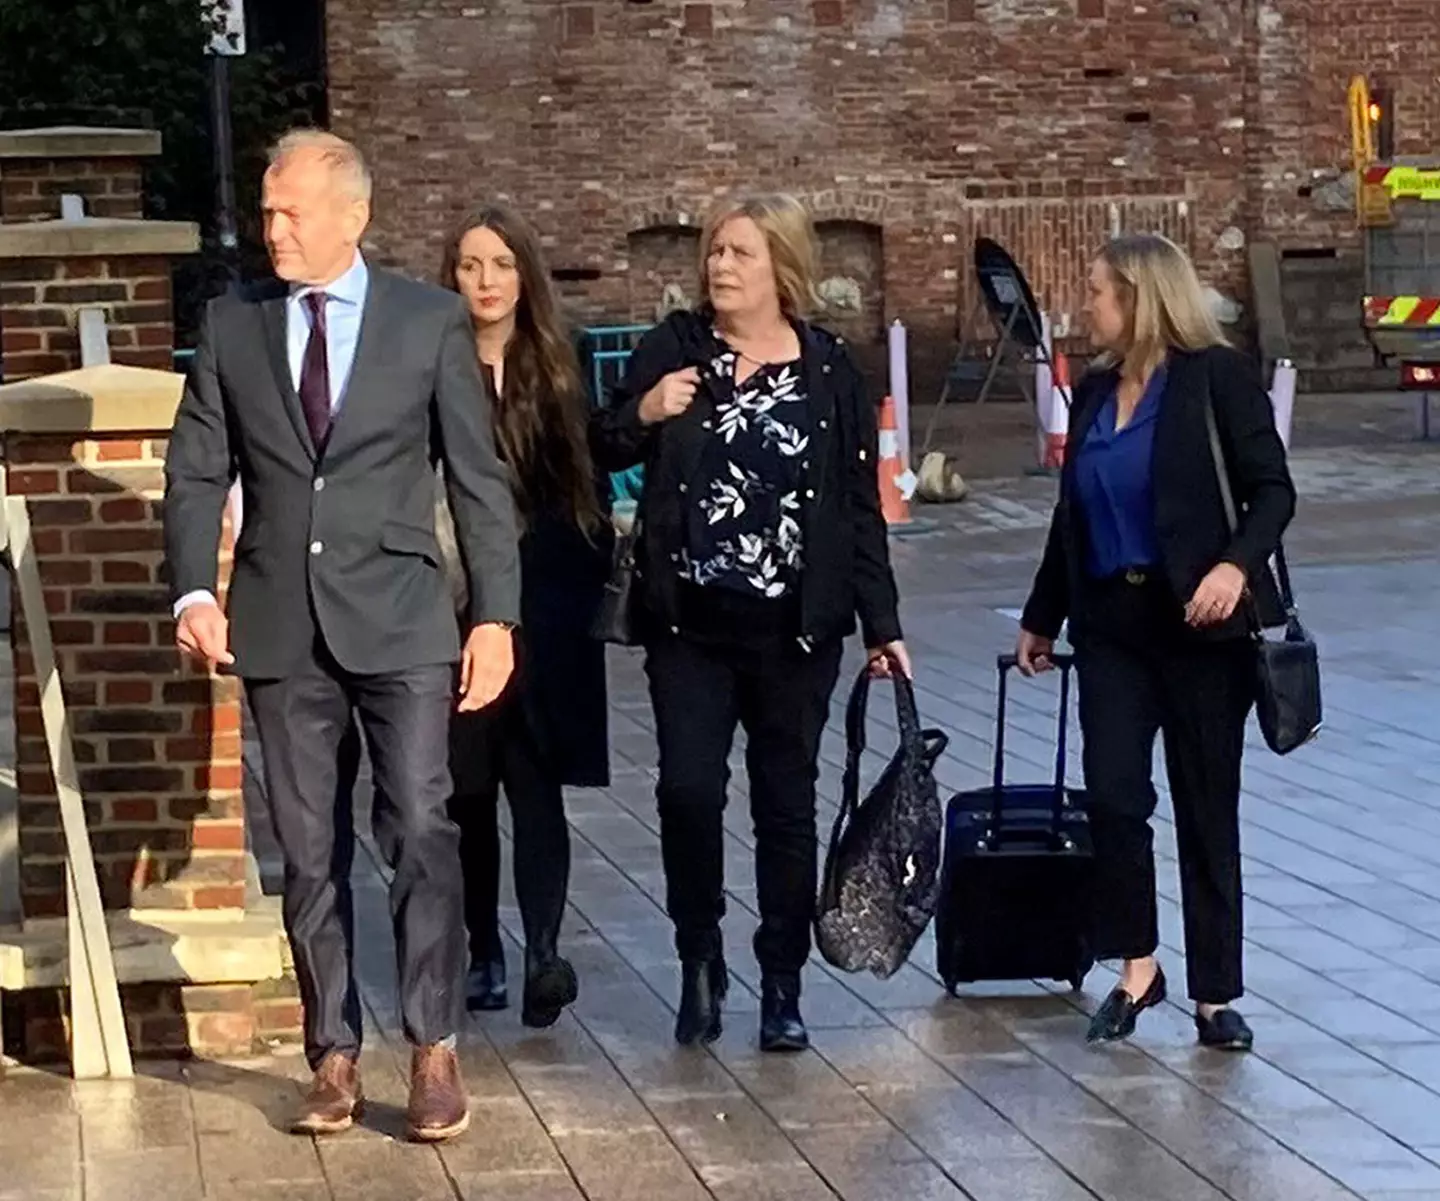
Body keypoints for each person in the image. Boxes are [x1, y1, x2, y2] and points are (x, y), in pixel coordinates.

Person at [163, 129, 520, 1141]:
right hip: (279, 623)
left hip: (405, 619)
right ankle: (332, 1052)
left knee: (420, 825)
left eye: (291, 213)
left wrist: (495, 614)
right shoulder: (234, 325)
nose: (271, 229)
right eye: (268, 212)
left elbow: (477, 478)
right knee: (309, 850)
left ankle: (435, 1044)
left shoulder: (429, 321)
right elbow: (196, 468)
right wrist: (194, 590)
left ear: (352, 217)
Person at [590, 193, 908, 1053]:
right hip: (689, 624)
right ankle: (700, 955)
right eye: (713, 253)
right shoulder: (676, 350)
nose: (719, 268)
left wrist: (884, 624)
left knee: (786, 806)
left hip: (795, 633)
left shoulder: (833, 370)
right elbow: (601, 443)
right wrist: (646, 410)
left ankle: (781, 978)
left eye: (738, 254)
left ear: (782, 268)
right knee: (688, 791)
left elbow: (856, 507)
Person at [1016, 233, 1295, 1052]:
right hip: (1113, 627)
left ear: (1138, 298)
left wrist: (1235, 568)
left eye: (1097, 291)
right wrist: (1044, 613)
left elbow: (1273, 491)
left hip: (1201, 630)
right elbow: (1072, 516)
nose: (1084, 307)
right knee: (1114, 798)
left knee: (1206, 807)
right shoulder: (1098, 393)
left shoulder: (1215, 380)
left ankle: (1215, 993)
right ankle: (1138, 964)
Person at [435, 205, 612, 1028]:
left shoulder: (560, 361)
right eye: (471, 265)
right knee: (468, 791)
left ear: (524, 274)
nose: (487, 281)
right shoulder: (428, 362)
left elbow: (588, 472)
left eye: (501, 264)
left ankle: (544, 949)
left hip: (544, 603)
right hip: (454, 603)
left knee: (536, 785)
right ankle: (484, 950)